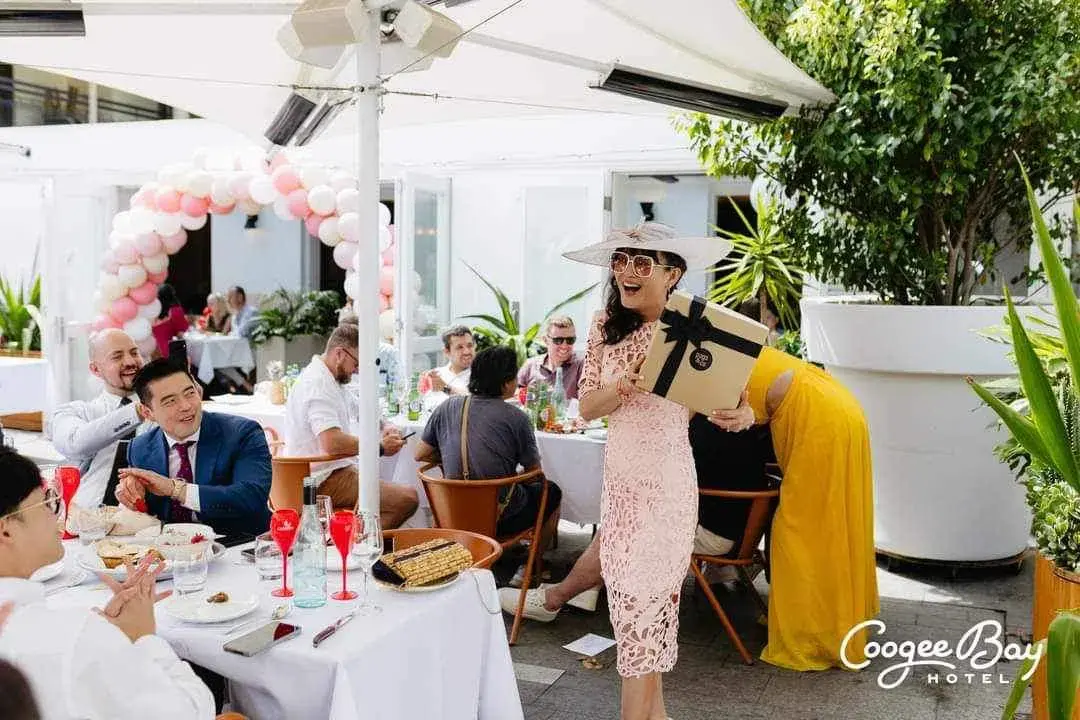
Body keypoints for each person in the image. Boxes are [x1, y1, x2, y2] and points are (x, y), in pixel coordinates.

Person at [562, 221, 737, 720]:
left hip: (668, 494)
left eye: (641, 263)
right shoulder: (601, 326)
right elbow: (586, 407)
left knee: (641, 631)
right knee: (635, 627)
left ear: (672, 275)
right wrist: (626, 386)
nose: (626, 272)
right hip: (619, 497)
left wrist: (739, 413)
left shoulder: (699, 333)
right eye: (620, 260)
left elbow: (735, 401)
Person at [708, 305, 878, 672]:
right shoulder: (747, 353)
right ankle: (838, 619)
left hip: (821, 424)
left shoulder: (726, 370)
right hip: (839, 410)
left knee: (800, 530)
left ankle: (814, 635)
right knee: (836, 519)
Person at [0, 448, 214, 719]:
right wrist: (142, 637)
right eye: (48, 502)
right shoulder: (73, 638)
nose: (58, 514)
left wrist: (108, 637)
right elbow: (190, 712)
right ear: (6, 529)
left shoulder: (77, 635)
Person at [499, 418, 775, 620]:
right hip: (732, 529)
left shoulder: (706, 427)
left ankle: (553, 600)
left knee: (621, 524)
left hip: (713, 533)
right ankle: (588, 586)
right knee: (627, 514)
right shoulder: (745, 418)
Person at [415, 345, 562, 578]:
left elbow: (420, 454)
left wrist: (454, 453)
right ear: (505, 384)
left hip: (452, 513)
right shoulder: (517, 418)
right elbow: (535, 474)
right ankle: (531, 566)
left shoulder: (447, 406)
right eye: (514, 377)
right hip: (499, 517)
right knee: (551, 491)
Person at [283, 323, 419, 529]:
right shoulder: (318, 384)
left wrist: (385, 425)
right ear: (339, 354)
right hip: (320, 479)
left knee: (390, 491)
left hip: (332, 471)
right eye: (356, 363)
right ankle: (355, 544)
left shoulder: (330, 378)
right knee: (408, 498)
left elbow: (361, 408)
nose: (356, 370)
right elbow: (332, 443)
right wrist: (380, 447)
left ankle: (351, 540)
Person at [117, 359, 272, 539]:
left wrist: (175, 489)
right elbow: (148, 516)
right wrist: (131, 498)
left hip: (240, 546)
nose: (186, 406)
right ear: (147, 413)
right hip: (173, 554)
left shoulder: (242, 433)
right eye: (170, 401)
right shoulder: (140, 448)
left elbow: (251, 497)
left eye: (190, 393)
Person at [49, 329, 148, 508]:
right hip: (88, 518)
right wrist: (137, 412)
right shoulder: (76, 411)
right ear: (95, 369)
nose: (130, 362)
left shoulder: (163, 410)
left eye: (134, 353)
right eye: (117, 357)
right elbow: (75, 443)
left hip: (152, 520)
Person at [516, 316, 584, 400]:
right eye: (558, 340)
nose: (564, 346)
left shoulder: (581, 367)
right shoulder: (530, 366)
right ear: (545, 340)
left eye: (570, 340)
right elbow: (516, 398)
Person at [426, 325, 474, 396]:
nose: (466, 351)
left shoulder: (482, 374)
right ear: (447, 352)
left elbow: (476, 400)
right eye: (460, 347)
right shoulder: (437, 374)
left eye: (469, 346)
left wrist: (445, 388)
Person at [151, 284, 190, 359]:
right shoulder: (175, 311)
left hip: (150, 352)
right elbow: (181, 334)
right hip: (166, 353)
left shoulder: (152, 312)